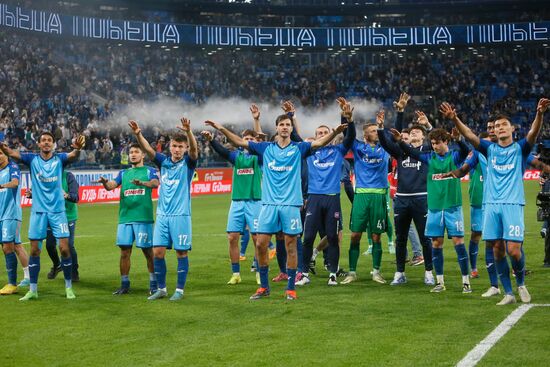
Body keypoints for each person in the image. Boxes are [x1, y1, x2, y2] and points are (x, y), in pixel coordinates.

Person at [205, 115, 348, 300]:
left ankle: (290, 289)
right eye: (282, 124)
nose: (285, 127)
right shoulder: (265, 148)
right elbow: (239, 141)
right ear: (277, 127)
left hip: (290, 205)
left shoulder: (299, 148)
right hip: (269, 205)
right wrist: (220, 128)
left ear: (290, 129)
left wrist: (335, 132)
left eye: (288, 125)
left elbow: (318, 144)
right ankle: (264, 287)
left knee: (290, 245)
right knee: (261, 243)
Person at [443, 98, 550, 304]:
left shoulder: (520, 149)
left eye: (504, 125)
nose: (500, 128)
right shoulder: (488, 149)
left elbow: (533, 134)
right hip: (491, 205)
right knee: (497, 249)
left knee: (514, 250)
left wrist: (539, 114)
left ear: (512, 129)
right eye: (497, 126)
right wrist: (455, 118)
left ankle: (520, 284)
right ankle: (508, 293)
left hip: (512, 204)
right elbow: (470, 136)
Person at [1, 131, 85, 300]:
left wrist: (77, 149)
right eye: (43, 140)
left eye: (49, 140)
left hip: (58, 211)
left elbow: (73, 155)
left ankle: (68, 287)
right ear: (38, 144)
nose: (46, 143)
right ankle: (33, 290)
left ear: (53, 144)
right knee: (34, 250)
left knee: (64, 248)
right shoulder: (32, 159)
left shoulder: (59, 159)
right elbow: (10, 152)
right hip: (38, 212)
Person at [390, 126, 470, 293]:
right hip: (434, 208)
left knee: (458, 243)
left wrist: (459, 140)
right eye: (432, 143)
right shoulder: (428, 157)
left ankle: (466, 282)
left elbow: (465, 150)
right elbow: (412, 153)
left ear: (446, 142)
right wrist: (399, 141)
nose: (434, 146)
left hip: (452, 207)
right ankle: (439, 282)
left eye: (438, 143)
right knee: (436, 243)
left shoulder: (454, 157)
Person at [129, 118, 198, 301]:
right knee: (157, 252)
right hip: (162, 215)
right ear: (170, 146)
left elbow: (195, 150)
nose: (177, 149)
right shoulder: (163, 162)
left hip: (180, 215)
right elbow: (149, 151)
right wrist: (138, 134)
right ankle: (161, 289)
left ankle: (180, 291)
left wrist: (189, 132)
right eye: (174, 146)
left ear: (185, 149)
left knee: (181, 252)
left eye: (180, 147)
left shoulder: (188, 164)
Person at [297, 97, 355, 286]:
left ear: (331, 135)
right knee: (308, 238)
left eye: (325, 132)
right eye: (318, 133)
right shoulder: (309, 152)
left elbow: (350, 137)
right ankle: (304, 274)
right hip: (314, 198)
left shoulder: (338, 150)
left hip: (332, 199)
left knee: (332, 237)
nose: (321, 135)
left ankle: (332, 274)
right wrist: (291, 115)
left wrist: (347, 119)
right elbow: (296, 139)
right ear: (315, 137)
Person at [377, 101, 435, 286]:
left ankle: (428, 273)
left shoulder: (427, 151)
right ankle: (400, 273)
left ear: (424, 137)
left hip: (421, 198)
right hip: (402, 200)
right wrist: (393, 118)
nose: (413, 133)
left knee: (425, 238)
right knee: (400, 238)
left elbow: (438, 139)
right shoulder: (402, 152)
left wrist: (427, 124)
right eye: (411, 132)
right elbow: (387, 142)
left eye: (418, 131)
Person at [202, 128, 262, 285]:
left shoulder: (260, 157)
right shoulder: (237, 157)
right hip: (237, 201)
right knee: (232, 237)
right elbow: (223, 152)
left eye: (251, 138)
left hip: (254, 201)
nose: (247, 140)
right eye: (245, 138)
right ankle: (236, 273)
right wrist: (212, 140)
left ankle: (259, 272)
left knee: (257, 239)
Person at [97, 143, 159, 295]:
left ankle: (153, 284)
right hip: (125, 218)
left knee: (147, 252)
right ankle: (124, 284)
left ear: (143, 155)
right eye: (131, 152)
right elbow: (112, 186)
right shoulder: (124, 173)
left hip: (143, 218)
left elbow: (155, 184)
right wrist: (105, 183)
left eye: (136, 152)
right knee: (124, 252)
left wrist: (142, 183)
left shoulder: (150, 170)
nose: (133, 154)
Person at [341, 111, 391, 285]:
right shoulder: (358, 147)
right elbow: (346, 134)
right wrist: (347, 118)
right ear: (365, 134)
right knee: (355, 235)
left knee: (377, 237)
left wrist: (389, 121)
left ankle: (376, 272)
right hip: (361, 195)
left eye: (378, 130)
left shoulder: (385, 146)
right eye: (373, 130)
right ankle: (352, 272)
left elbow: (392, 136)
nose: (376, 132)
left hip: (378, 196)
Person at [44, 170, 80, 282]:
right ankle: (57, 265)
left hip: (67, 215)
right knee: (49, 245)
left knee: (68, 245)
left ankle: (74, 272)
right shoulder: (46, 177)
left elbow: (76, 197)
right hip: (51, 215)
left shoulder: (68, 176)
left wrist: (66, 195)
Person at [0, 149, 23, 295]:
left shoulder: (12, 167)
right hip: (0, 215)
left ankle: (12, 284)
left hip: (10, 213)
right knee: (5, 247)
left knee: (8, 247)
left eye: (0, 153)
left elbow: (15, 183)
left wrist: (3, 186)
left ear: (6, 154)